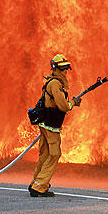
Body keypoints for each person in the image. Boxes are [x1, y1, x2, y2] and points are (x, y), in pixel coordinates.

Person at [29, 54, 81, 197]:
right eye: (63, 69)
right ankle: (39, 187)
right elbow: (63, 106)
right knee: (54, 154)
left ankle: (36, 182)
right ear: (55, 69)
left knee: (45, 154)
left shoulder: (51, 82)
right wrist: (73, 103)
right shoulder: (55, 84)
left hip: (45, 124)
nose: (65, 72)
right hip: (51, 125)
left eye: (66, 69)